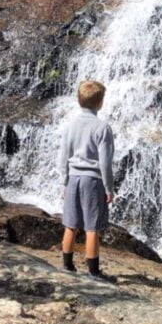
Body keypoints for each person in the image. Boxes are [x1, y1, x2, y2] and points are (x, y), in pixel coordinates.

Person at [58, 80, 115, 280]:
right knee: (92, 228)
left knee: (70, 225)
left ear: (78, 100)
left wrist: (64, 182)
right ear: (100, 103)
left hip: (73, 178)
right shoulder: (102, 128)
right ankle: (93, 271)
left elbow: (63, 157)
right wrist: (109, 188)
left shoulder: (70, 126)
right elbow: (105, 162)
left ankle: (66, 265)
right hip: (92, 180)